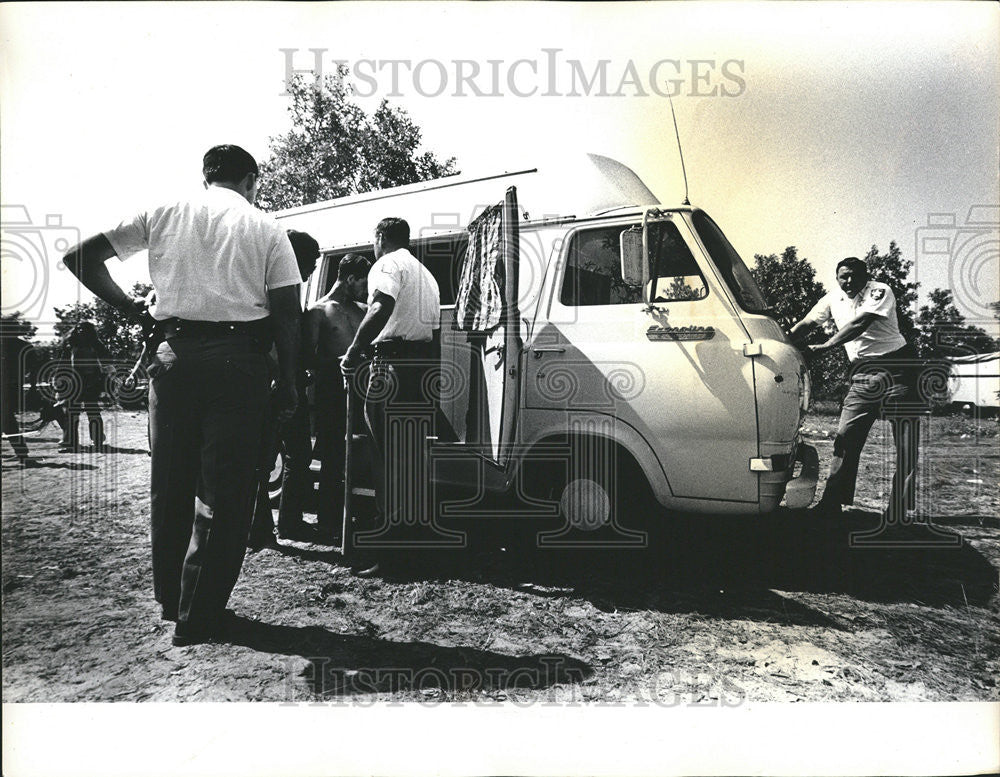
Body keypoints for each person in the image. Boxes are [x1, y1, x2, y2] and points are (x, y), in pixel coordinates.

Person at [63, 144, 302, 646]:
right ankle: (199, 612)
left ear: (205, 177)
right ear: (251, 178)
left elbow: (79, 258)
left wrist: (133, 311)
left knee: (170, 482)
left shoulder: (163, 213)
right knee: (225, 491)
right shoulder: (266, 226)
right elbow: (286, 314)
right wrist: (292, 384)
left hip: (172, 359)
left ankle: (172, 600)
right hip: (240, 364)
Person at [789, 256, 922, 523]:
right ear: (836, 278)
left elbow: (860, 324)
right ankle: (831, 504)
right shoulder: (831, 299)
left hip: (899, 370)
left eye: (853, 276)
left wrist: (826, 346)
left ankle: (898, 511)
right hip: (862, 374)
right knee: (845, 438)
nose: (848, 281)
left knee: (906, 443)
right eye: (843, 276)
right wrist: (782, 339)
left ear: (865, 275)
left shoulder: (880, 290)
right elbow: (806, 324)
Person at [340, 218, 440, 567]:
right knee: (410, 460)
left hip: (391, 367)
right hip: (420, 369)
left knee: (386, 459)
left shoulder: (387, 263)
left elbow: (381, 308)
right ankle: (414, 545)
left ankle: (390, 554)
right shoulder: (425, 274)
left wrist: (353, 351)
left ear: (380, 237)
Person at [246, 229, 320, 549]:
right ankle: (258, 527)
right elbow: (268, 341)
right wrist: (282, 376)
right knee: (262, 461)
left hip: (290, 384)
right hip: (272, 385)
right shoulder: (269, 291)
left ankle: (288, 522)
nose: (313, 269)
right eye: (310, 262)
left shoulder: (291, 291)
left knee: (299, 454)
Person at [302, 253, 370, 537]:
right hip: (331, 391)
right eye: (362, 283)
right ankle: (328, 519)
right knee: (331, 456)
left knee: (361, 453)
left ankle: (355, 514)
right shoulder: (318, 312)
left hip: (362, 390)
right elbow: (307, 358)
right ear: (350, 279)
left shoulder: (363, 310)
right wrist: (339, 362)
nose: (366, 290)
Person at [60, 321, 111, 452]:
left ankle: (98, 440)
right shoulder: (70, 344)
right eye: (79, 328)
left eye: (84, 329)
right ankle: (70, 443)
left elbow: (107, 362)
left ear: (90, 331)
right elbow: (62, 364)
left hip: (92, 382)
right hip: (73, 382)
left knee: (93, 411)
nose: (81, 331)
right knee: (71, 413)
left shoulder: (96, 344)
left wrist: (104, 382)